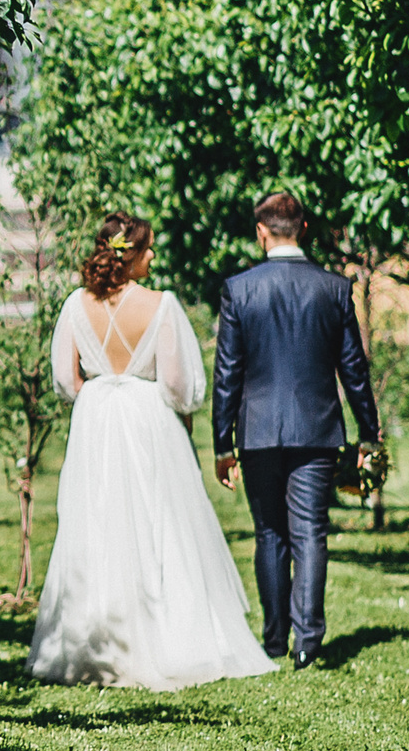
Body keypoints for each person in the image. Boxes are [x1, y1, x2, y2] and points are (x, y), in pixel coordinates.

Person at [27, 212, 276, 690]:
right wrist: (159, 401)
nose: (154, 257)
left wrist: (97, 396)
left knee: (95, 522)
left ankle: (91, 643)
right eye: (150, 249)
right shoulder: (162, 305)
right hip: (148, 419)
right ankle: (171, 640)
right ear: (131, 254)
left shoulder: (75, 306)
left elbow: (64, 379)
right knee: (162, 523)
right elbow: (180, 386)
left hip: (96, 418)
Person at [211, 192, 381, 671]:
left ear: (261, 231)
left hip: (258, 430)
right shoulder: (333, 288)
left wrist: (222, 443)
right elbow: (354, 368)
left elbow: (228, 374)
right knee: (310, 532)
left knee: (269, 534)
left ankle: (273, 641)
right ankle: (308, 644)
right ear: (303, 229)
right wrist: (369, 433)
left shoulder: (239, 289)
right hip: (317, 429)